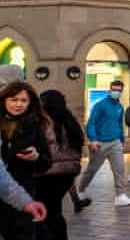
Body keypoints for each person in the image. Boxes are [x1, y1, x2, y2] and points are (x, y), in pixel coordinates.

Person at [0, 81, 52, 240]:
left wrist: (36, 157)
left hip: (22, 191)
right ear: (4, 100)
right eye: (14, 99)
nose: (18, 104)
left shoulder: (34, 126)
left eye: (24, 101)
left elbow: (46, 163)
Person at [35, 90, 84, 240]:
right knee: (55, 211)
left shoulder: (44, 122)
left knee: (47, 212)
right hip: (68, 173)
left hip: (49, 173)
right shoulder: (70, 120)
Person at [78, 80, 130, 206]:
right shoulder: (100, 105)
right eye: (114, 90)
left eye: (119, 90)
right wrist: (93, 140)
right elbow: (91, 124)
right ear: (110, 90)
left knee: (119, 169)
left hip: (115, 143)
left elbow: (120, 124)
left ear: (122, 91)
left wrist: (121, 140)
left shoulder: (120, 107)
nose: (116, 92)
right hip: (100, 143)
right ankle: (80, 190)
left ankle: (120, 196)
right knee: (92, 169)